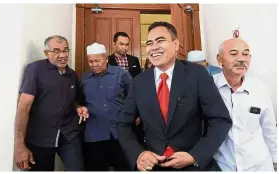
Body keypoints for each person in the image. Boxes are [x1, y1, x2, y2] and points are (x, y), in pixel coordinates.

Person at [116, 21, 232, 171]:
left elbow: (220, 119)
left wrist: (195, 155)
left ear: (176, 44)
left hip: (193, 164)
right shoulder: (139, 81)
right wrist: (138, 154)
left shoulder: (196, 74)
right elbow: (123, 124)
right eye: (149, 43)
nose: (154, 47)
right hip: (154, 166)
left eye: (161, 41)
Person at [14, 35, 88, 171]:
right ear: (46, 53)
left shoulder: (72, 75)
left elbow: (73, 101)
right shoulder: (35, 69)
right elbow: (23, 107)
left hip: (68, 133)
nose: (63, 55)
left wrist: (79, 107)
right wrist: (19, 145)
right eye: (56, 51)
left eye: (66, 50)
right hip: (40, 136)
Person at [213, 38, 277, 171]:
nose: (242, 59)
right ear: (220, 60)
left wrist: (276, 160)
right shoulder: (208, 86)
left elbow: (269, 129)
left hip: (259, 167)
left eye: (246, 54)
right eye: (234, 53)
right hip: (223, 166)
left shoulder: (259, 88)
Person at [78, 43, 131, 171]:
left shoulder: (120, 74)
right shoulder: (84, 79)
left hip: (119, 132)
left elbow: (133, 97)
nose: (94, 64)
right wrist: (79, 107)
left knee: (125, 168)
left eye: (97, 61)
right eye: (91, 61)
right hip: (94, 134)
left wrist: (133, 117)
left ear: (106, 59)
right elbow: (78, 101)